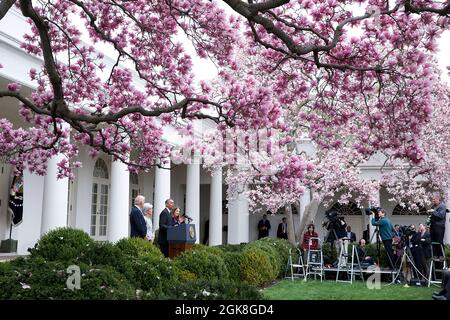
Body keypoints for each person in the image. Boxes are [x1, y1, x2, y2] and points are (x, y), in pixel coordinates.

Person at [427, 193, 447, 258]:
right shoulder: (433, 206)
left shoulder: (442, 206)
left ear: (438, 199)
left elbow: (441, 216)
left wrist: (433, 211)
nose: (433, 201)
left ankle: (441, 255)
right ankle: (435, 255)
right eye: (432, 200)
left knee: (439, 241)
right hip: (432, 226)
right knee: (433, 241)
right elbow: (431, 216)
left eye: (434, 199)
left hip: (439, 227)